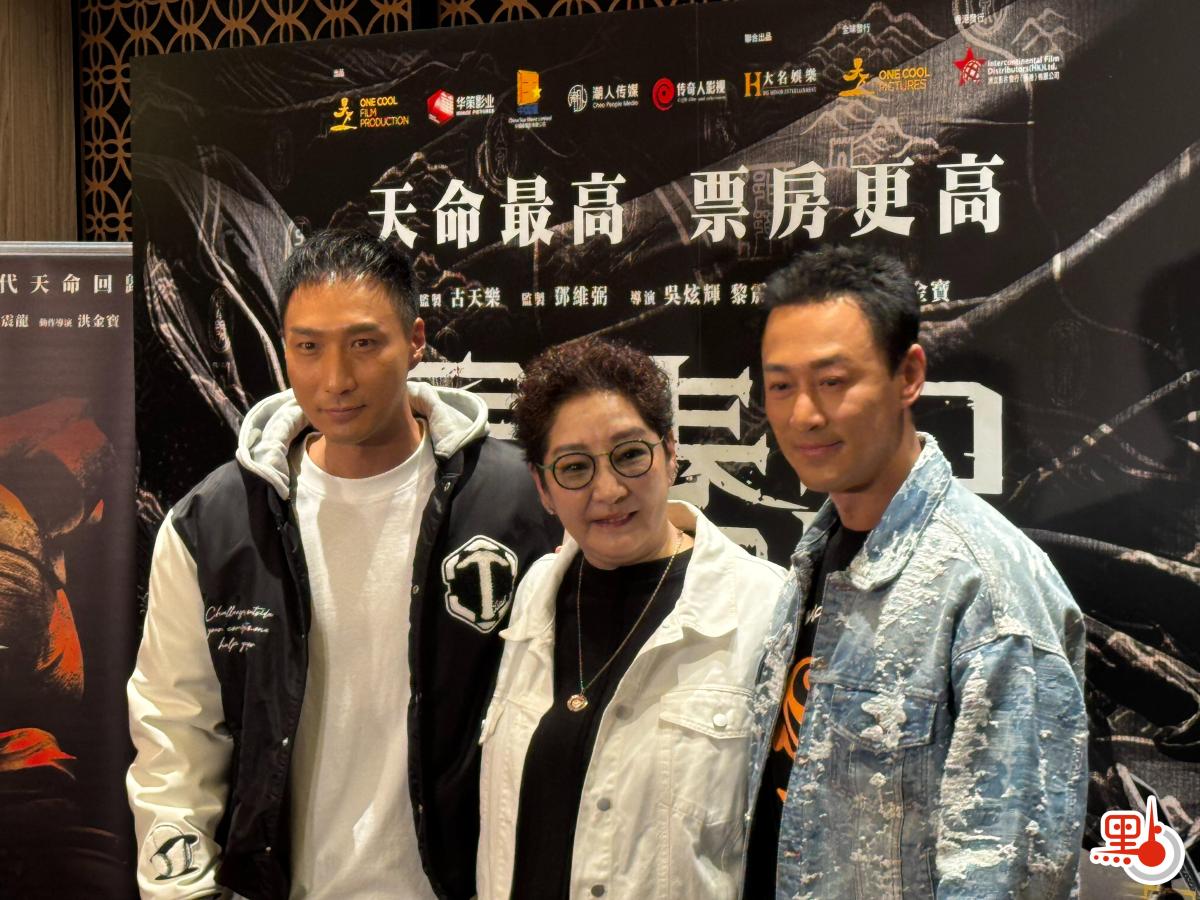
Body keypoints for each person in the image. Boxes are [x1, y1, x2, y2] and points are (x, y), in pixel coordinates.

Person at [126, 230, 559, 900]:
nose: (335, 379)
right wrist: (180, 890)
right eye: (308, 347)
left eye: (363, 343)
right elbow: (175, 729)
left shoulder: (517, 501)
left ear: (415, 341)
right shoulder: (213, 524)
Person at [745, 244, 1088, 898]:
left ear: (908, 375)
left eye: (833, 381)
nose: (803, 414)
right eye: (781, 385)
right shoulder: (817, 552)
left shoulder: (987, 588)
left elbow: (1008, 877)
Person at [476, 337, 787, 900]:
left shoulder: (763, 607)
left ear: (670, 452)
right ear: (543, 488)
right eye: (574, 467)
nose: (609, 490)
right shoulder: (535, 593)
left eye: (630, 455)